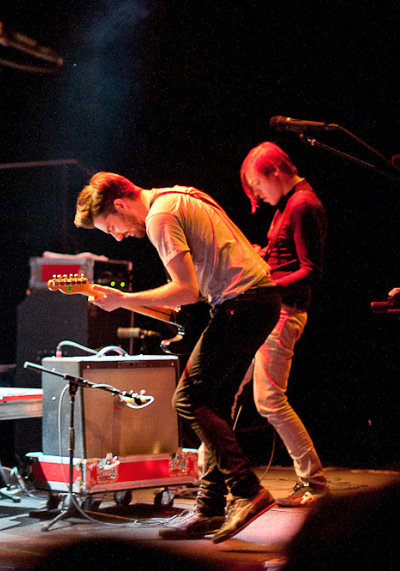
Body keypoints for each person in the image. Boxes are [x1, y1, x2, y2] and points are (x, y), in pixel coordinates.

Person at [74, 172, 281, 543]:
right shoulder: (180, 194)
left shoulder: (159, 217)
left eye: (111, 227)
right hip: (255, 300)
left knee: (188, 399)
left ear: (121, 205)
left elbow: (185, 291)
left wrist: (123, 300)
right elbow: (198, 290)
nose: (118, 236)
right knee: (214, 404)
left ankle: (248, 491)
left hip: (243, 304)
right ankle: (210, 508)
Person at [239, 141, 329, 506]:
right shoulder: (289, 205)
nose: (258, 195)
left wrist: (265, 284)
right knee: (225, 391)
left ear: (275, 172)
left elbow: (310, 270)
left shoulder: (304, 205)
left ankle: (315, 483)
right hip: (271, 311)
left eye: (258, 185)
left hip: (284, 313)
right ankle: (206, 476)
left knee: (270, 400)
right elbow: (284, 257)